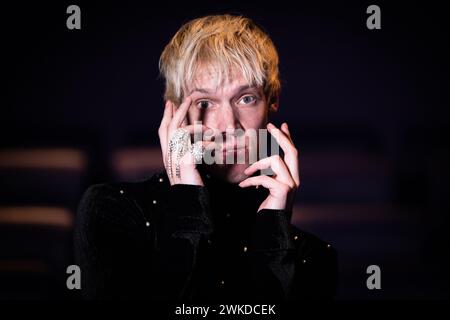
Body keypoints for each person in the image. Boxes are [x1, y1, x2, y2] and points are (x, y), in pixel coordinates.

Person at [74, 14, 338, 300]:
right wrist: (187, 202)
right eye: (204, 103)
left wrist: (274, 230)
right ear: (177, 111)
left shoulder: (312, 255)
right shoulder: (112, 210)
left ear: (272, 99)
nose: (228, 126)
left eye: (246, 98)